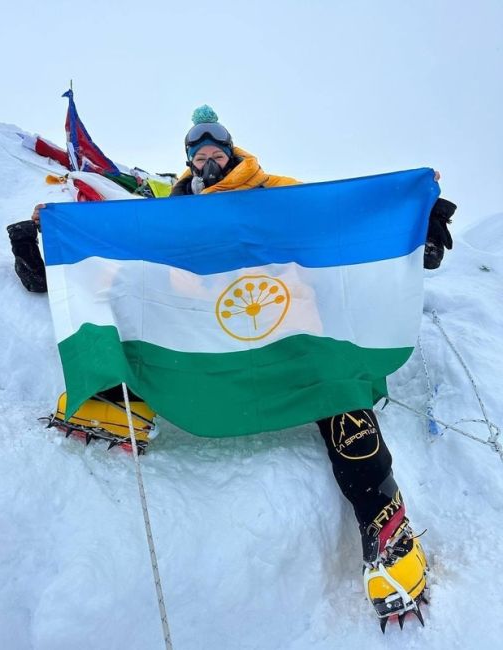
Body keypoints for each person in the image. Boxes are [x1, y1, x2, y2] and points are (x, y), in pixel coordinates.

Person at [172, 105, 451, 630]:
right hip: (214, 332)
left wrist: (406, 206)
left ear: (231, 152)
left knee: (336, 385)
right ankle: (114, 403)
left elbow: (338, 219)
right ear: (188, 160)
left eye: (216, 148)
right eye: (198, 151)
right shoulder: (170, 212)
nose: (208, 156)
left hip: (292, 324)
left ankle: (384, 526)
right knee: (156, 345)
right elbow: (130, 268)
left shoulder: (277, 190)